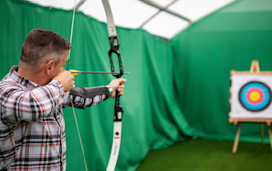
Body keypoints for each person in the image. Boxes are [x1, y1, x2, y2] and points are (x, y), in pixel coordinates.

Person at [0, 29, 126, 170]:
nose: (66, 70)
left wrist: (108, 90)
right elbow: (32, 106)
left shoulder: (47, 90)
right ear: (50, 67)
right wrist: (60, 84)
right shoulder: (5, 92)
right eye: (64, 64)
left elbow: (76, 96)